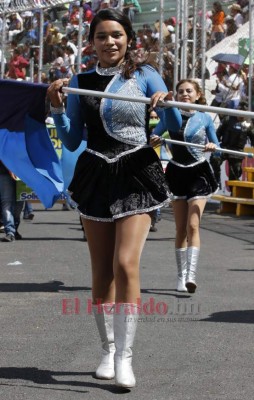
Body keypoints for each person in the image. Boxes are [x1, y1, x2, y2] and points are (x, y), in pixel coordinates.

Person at [47, 8, 181, 389]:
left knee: (126, 263)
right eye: (102, 36)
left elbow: (170, 126)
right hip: (96, 173)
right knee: (101, 270)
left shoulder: (145, 75)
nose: (110, 42)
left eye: (117, 35)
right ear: (92, 42)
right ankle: (107, 350)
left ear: (128, 39)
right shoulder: (80, 80)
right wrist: (57, 108)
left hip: (136, 170)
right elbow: (72, 139)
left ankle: (125, 358)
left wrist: (165, 105)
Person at [151, 79, 220, 294]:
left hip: (199, 173)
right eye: (180, 91)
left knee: (193, 225)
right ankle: (180, 276)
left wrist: (211, 146)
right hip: (176, 172)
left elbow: (217, 148)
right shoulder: (170, 115)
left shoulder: (205, 118)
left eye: (189, 91)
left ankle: (191, 275)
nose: (184, 94)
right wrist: (155, 139)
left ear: (198, 94)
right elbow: (154, 135)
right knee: (180, 228)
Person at [210, 100, 254, 189]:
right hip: (224, 147)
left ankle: (233, 192)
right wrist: (215, 145)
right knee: (215, 159)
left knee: (235, 172)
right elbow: (217, 134)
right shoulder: (227, 119)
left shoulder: (249, 125)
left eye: (244, 111)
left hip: (237, 152)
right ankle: (217, 180)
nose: (241, 114)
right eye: (240, 110)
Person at [0, 161, 24, 242]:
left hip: (22, 172)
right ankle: (10, 232)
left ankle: (14, 229)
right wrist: (10, 168)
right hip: (4, 172)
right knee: (7, 202)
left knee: (19, 205)